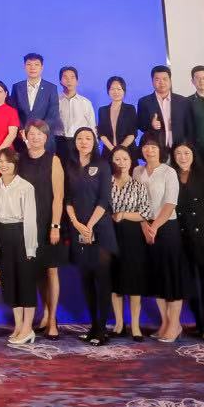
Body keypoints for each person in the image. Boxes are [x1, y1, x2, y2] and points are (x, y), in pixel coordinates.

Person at [63, 127, 114, 346]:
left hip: (100, 229)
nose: (83, 142)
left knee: (102, 280)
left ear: (94, 142)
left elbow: (104, 199)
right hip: (78, 229)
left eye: (88, 138)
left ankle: (102, 329)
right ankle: (93, 326)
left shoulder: (102, 165)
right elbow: (67, 198)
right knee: (86, 280)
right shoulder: (70, 165)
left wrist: (90, 225)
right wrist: (76, 224)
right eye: (80, 138)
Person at [15, 121, 64, 337]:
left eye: (40, 134)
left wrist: (55, 225)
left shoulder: (54, 160)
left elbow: (58, 197)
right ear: (25, 136)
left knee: (51, 270)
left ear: (46, 137)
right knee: (36, 272)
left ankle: (52, 320)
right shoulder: (19, 159)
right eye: (31, 134)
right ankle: (44, 313)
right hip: (26, 224)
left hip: (47, 222)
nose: (35, 137)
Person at [171, 141, 204, 341]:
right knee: (189, 284)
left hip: (203, 236)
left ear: (193, 155)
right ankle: (198, 322)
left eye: (186, 153)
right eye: (178, 153)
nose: (182, 157)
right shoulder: (170, 175)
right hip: (180, 237)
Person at [135, 139, 184, 342]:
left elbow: (170, 203)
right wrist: (144, 226)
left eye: (153, 147)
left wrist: (154, 227)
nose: (149, 150)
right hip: (145, 227)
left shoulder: (168, 172)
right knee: (157, 278)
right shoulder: (137, 171)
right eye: (146, 146)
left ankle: (175, 325)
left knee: (171, 277)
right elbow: (135, 202)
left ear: (160, 150)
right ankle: (164, 322)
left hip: (166, 227)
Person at [0, 147, 39, 346]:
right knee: (10, 283)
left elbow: (30, 220)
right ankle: (18, 326)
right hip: (2, 235)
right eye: (0, 161)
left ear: (15, 164)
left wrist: (30, 248)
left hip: (21, 234)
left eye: (8, 161)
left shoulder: (26, 187)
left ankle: (28, 328)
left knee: (25, 283)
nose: (4, 165)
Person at [108, 145, 151, 340]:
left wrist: (123, 214)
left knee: (134, 281)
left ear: (131, 161)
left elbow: (145, 212)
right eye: (117, 159)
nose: (121, 163)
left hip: (133, 236)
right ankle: (118, 324)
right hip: (110, 234)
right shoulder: (106, 183)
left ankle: (135, 325)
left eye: (125, 159)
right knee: (114, 280)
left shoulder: (138, 185)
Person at [12, 52, 61, 150]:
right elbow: (14, 112)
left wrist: (38, 133)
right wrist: (22, 130)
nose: (32, 67)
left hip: (44, 138)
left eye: (36, 64)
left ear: (42, 67)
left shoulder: (51, 88)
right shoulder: (17, 87)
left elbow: (53, 114)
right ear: (24, 67)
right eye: (29, 64)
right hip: (22, 138)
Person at [137, 65, 191, 151]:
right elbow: (140, 125)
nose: (161, 82)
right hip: (156, 149)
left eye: (165, 79)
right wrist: (151, 124)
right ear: (152, 81)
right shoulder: (144, 102)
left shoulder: (183, 101)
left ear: (170, 80)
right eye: (157, 79)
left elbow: (189, 126)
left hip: (179, 148)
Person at [56, 67, 95, 150]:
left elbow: (92, 126)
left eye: (72, 77)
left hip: (80, 142)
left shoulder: (85, 102)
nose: (69, 80)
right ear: (60, 81)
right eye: (65, 77)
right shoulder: (55, 101)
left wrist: (94, 147)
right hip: (59, 142)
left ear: (77, 81)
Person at [97, 76, 138, 153]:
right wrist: (113, 149)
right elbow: (101, 133)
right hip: (108, 151)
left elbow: (132, 133)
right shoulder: (102, 110)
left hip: (127, 151)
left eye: (119, 89)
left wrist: (120, 150)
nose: (115, 92)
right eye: (112, 89)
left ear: (124, 91)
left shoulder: (130, 109)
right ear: (108, 91)